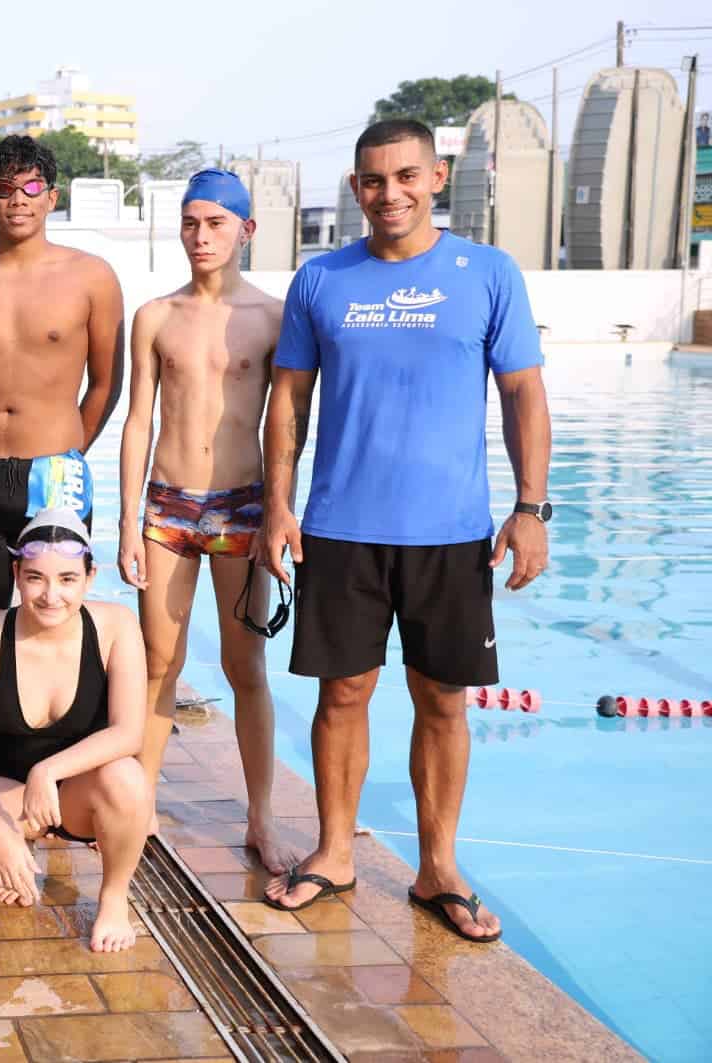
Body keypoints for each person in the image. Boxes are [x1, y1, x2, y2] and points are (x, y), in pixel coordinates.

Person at [257, 120, 551, 943]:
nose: (391, 193)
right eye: (375, 180)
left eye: (407, 176)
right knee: (341, 693)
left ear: (437, 176)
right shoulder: (322, 279)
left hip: (450, 533)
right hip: (340, 528)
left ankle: (438, 867)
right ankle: (333, 851)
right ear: (356, 187)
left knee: (443, 700)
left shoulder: (487, 273)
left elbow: (523, 394)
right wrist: (277, 505)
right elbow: (288, 401)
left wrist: (530, 509)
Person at [116, 169, 294, 871]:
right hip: (167, 505)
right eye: (190, 223)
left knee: (244, 664)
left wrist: (279, 516)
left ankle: (261, 817)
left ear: (246, 230)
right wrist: (126, 524)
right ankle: (139, 805)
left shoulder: (274, 318)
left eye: (215, 223)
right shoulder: (155, 315)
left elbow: (288, 427)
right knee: (158, 662)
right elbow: (137, 420)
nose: (201, 236)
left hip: (243, 508)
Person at [0, 134, 125, 608]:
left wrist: (69, 450)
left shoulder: (91, 277)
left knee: (55, 613)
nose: (18, 200)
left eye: (32, 188)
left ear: (52, 198)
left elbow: (106, 383)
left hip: (55, 470)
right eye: (4, 188)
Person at [0, 509, 149, 953]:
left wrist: (48, 771)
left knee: (129, 779)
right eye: (35, 578)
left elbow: (129, 733)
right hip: (8, 789)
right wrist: (0, 834)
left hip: (78, 792)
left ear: (90, 578)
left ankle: (114, 898)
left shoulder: (116, 627)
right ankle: (20, 847)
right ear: (16, 575)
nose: (51, 595)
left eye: (67, 579)